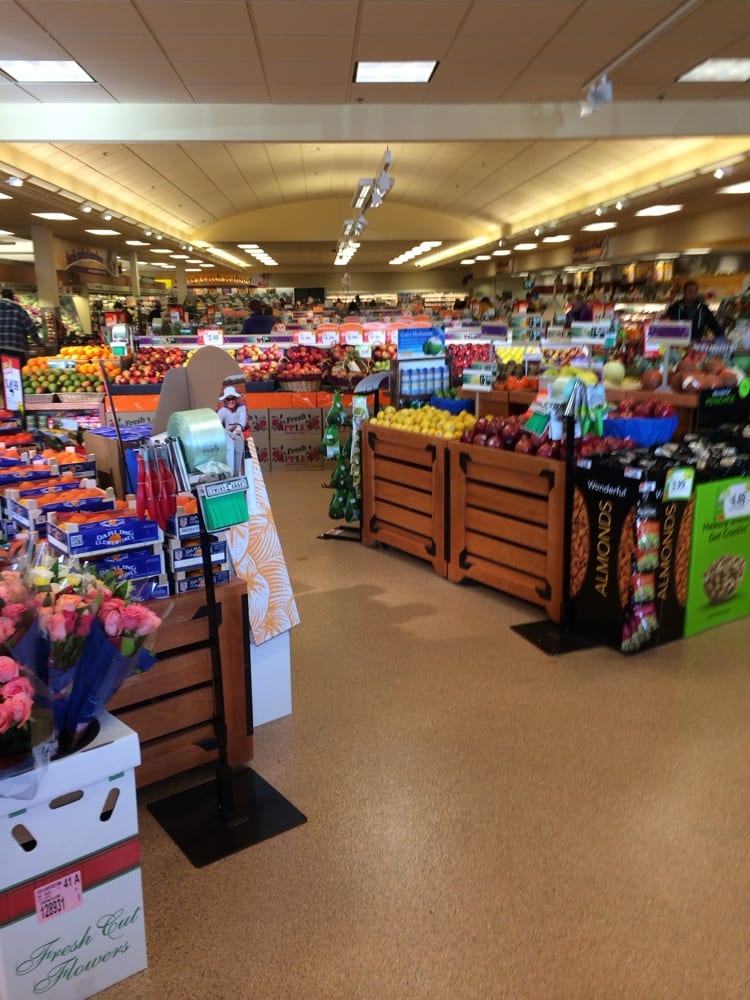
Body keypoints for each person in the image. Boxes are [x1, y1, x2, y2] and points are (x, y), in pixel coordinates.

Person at [0, 289, 41, 361]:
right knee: (15, 367)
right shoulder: (18, 309)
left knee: (4, 368)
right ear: (12, 297)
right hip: (16, 348)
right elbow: (30, 328)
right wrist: (38, 342)